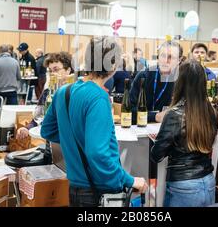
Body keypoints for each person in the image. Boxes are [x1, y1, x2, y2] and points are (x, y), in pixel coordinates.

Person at [41, 36, 147, 206]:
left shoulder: (63, 92)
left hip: (75, 186)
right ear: (113, 66)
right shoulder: (98, 98)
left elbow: (47, 131)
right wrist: (130, 180)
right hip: (98, 191)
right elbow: (98, 153)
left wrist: (75, 140)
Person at [150, 59, 218, 207]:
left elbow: (156, 155)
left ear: (180, 81)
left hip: (184, 186)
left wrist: (161, 140)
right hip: (208, 181)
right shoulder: (211, 111)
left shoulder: (174, 114)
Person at [16, 52, 73, 140]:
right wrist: (27, 128)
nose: (52, 73)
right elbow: (38, 117)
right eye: (50, 70)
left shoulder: (75, 94)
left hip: (69, 143)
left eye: (56, 69)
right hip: (50, 143)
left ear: (68, 70)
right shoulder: (47, 92)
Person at [130, 41, 182, 123]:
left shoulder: (182, 81)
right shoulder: (143, 77)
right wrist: (155, 116)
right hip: (141, 127)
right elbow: (129, 111)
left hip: (170, 129)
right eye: (163, 56)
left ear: (179, 60)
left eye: (170, 57)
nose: (166, 60)